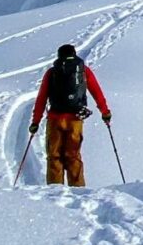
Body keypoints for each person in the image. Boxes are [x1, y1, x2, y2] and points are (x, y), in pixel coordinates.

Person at [28, 43, 112, 187]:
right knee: (73, 156)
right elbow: (97, 92)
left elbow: (41, 99)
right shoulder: (83, 71)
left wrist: (35, 122)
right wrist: (105, 112)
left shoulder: (52, 73)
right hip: (75, 120)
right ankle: (78, 191)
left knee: (54, 157)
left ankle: (55, 191)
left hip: (55, 119)